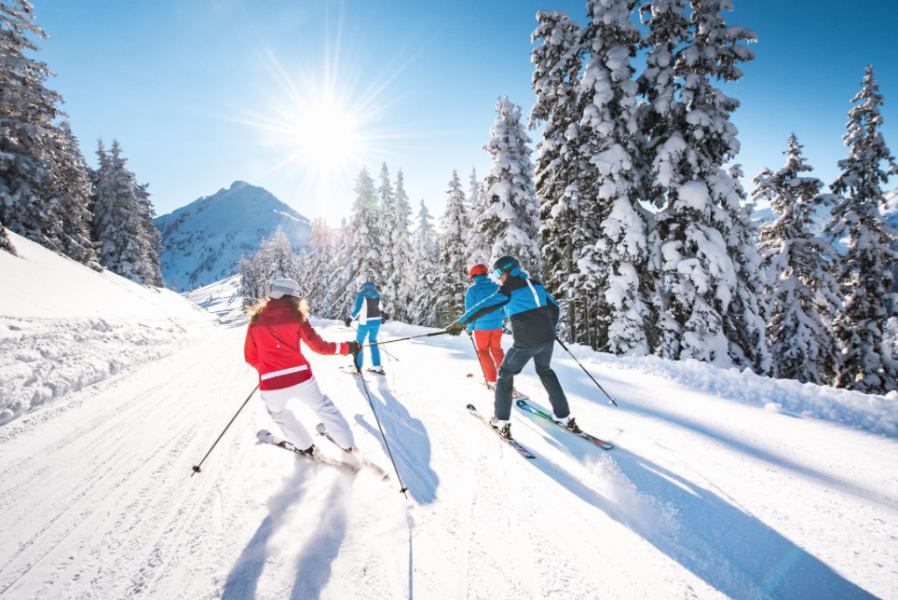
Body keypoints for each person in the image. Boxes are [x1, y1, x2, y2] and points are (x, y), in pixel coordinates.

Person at [446, 256, 578, 439]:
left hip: (526, 342)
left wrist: (460, 323)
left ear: (505, 271)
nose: (498, 278)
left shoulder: (508, 290)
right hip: (547, 339)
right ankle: (563, 416)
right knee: (545, 370)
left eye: (498, 273)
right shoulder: (535, 284)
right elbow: (554, 307)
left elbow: (483, 306)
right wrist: (550, 327)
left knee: (505, 374)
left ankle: (501, 421)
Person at [245, 278, 362, 456]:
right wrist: (348, 347)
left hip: (270, 384)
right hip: (301, 378)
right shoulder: (296, 317)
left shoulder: (255, 321)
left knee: (280, 414)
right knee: (323, 407)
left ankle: (306, 447)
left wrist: (267, 369)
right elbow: (320, 347)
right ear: (291, 295)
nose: (299, 300)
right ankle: (348, 445)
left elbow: (250, 356)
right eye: (298, 296)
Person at [465, 264, 505, 389]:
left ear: (473, 276)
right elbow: (504, 305)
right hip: (496, 326)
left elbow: (470, 311)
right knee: (497, 350)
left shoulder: (472, 290)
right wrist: (499, 318)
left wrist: (469, 328)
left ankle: (491, 379)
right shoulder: (496, 287)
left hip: (481, 328)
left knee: (483, 352)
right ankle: (506, 378)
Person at [345, 280, 389, 375]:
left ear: (364, 287)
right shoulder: (377, 293)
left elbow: (358, 309)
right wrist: (383, 316)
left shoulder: (361, 294)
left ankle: (358, 367)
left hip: (365, 322)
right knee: (373, 341)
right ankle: (376, 366)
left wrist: (350, 319)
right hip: (376, 321)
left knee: (359, 343)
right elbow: (381, 308)